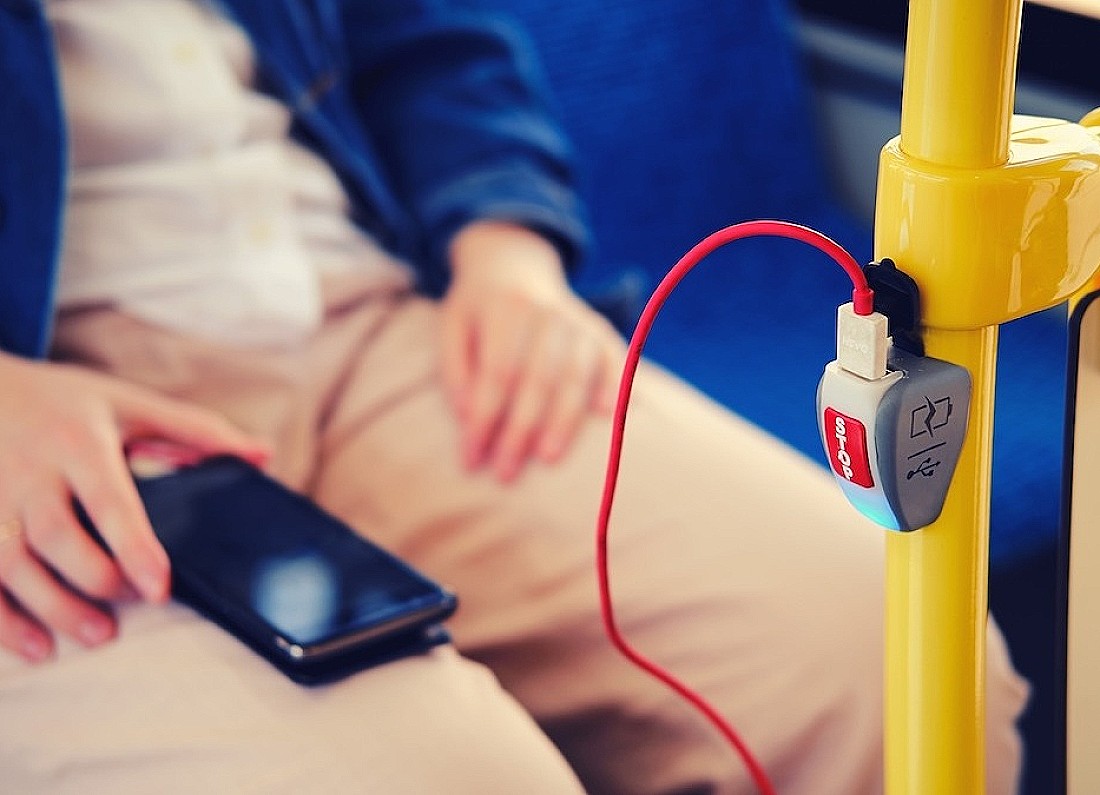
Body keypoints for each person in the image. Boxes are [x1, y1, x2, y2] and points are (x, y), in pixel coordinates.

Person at [0, 1, 1029, 792]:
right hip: (46, 413)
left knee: (897, 664)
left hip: (366, 307)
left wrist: (504, 240)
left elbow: (424, 34)